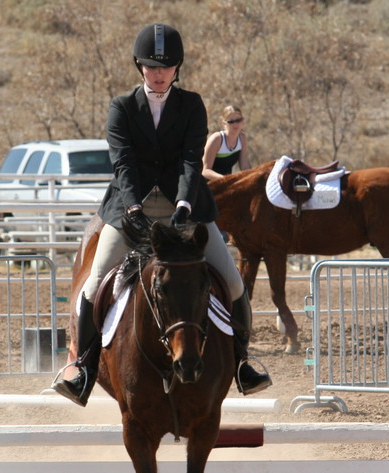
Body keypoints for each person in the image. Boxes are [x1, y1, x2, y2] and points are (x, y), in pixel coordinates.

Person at [50, 23, 272, 406]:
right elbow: (123, 162)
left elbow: (190, 160)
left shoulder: (191, 104)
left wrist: (185, 204)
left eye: (165, 66)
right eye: (151, 66)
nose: (158, 73)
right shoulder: (121, 106)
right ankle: (83, 368)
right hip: (129, 207)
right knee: (95, 281)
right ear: (139, 67)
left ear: (177, 68)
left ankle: (242, 364)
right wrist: (133, 207)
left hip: (186, 207)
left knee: (233, 283)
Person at [201, 105, 254, 180]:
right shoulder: (216, 139)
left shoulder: (242, 138)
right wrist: (226, 179)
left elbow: (245, 167)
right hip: (207, 184)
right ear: (224, 123)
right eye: (231, 122)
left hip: (226, 183)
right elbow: (205, 171)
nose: (235, 124)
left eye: (238, 120)